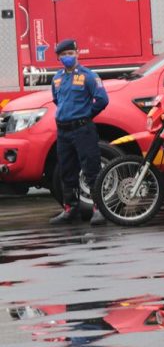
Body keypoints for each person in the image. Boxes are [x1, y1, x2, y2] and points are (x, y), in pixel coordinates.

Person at [49, 39, 109, 225]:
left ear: (77, 54)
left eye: (71, 53)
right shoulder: (57, 78)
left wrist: (85, 115)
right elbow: (57, 101)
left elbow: (102, 100)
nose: (68, 57)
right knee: (67, 171)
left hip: (83, 130)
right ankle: (70, 209)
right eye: (64, 54)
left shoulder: (88, 76)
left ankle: (99, 210)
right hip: (63, 132)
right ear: (58, 57)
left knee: (91, 169)